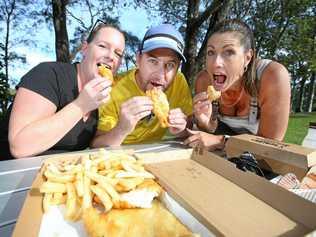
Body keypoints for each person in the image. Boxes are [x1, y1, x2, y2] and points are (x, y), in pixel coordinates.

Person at [0, 20, 125, 159]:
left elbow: (97, 145)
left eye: (118, 53)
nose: (111, 56)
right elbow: (20, 147)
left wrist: (123, 126)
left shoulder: (101, 98)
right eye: (102, 46)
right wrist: (81, 105)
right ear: (84, 48)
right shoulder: (48, 74)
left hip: (60, 175)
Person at [184, 19, 291, 150]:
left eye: (229, 52)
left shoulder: (272, 76)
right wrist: (205, 123)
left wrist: (221, 141)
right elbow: (207, 134)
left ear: (248, 57)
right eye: (211, 52)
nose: (216, 63)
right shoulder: (204, 80)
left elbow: (271, 147)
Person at [91, 24, 193, 147]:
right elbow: (95, 144)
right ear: (138, 59)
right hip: (118, 155)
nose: (160, 75)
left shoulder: (179, 82)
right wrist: (121, 129)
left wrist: (181, 128)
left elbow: (188, 128)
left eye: (170, 65)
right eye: (153, 62)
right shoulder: (113, 89)